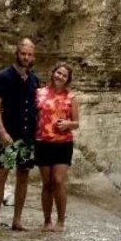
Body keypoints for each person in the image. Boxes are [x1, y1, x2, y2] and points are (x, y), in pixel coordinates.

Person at [0, 38, 39, 231]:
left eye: (29, 54)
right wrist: (1, 131)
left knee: (23, 176)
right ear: (17, 53)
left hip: (27, 136)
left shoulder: (34, 79)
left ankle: (17, 220)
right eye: (23, 53)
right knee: (1, 175)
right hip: (9, 135)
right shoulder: (3, 77)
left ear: (33, 56)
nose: (26, 57)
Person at [35, 62, 80, 232]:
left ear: (67, 80)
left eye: (64, 75)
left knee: (58, 181)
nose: (60, 77)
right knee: (46, 183)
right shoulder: (39, 93)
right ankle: (47, 221)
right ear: (53, 73)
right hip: (42, 142)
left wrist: (68, 123)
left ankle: (61, 221)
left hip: (63, 143)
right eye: (58, 73)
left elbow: (76, 123)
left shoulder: (71, 97)